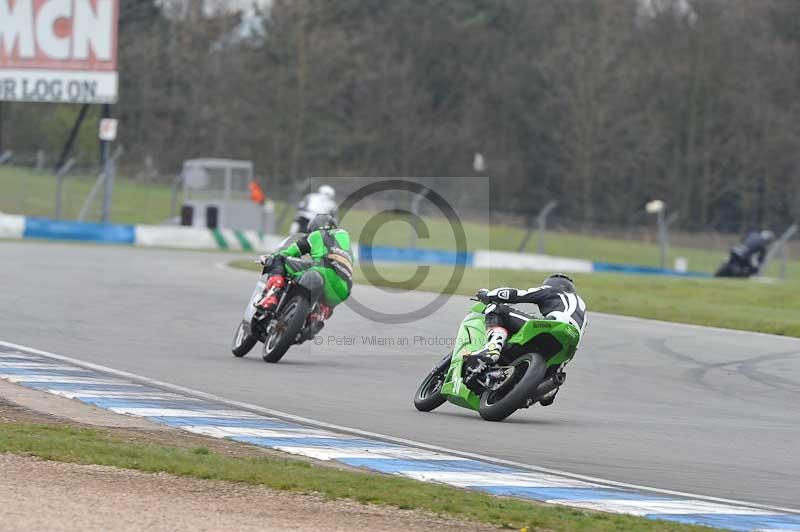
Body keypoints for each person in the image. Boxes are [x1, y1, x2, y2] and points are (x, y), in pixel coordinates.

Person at [471, 273, 587, 406]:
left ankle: (493, 348)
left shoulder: (554, 291)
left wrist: (489, 295)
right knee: (551, 381)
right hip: (569, 344)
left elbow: (517, 295)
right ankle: (548, 387)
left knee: (496, 309)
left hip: (553, 325)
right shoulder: (582, 309)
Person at [256, 214, 353, 335]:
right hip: (344, 288)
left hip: (322, 270)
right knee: (327, 300)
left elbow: (289, 252)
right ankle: (316, 316)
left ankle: (272, 294)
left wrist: (271, 257)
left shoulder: (315, 236)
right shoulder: (345, 237)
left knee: (278, 258)